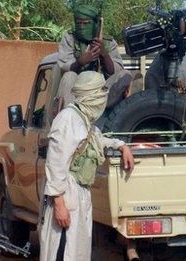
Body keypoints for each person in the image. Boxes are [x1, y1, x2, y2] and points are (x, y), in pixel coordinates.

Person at [39, 71, 134, 261]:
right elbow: (55, 164)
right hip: (67, 196)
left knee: (77, 253)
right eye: (99, 94)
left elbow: (97, 140)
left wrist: (121, 146)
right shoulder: (68, 119)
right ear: (90, 95)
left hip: (79, 195)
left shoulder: (84, 120)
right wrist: (59, 204)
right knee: (63, 251)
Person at [57, 3, 128, 106]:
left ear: (95, 24)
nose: (82, 27)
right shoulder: (70, 39)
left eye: (86, 23)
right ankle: (70, 116)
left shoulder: (108, 42)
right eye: (79, 23)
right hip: (77, 92)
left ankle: (112, 115)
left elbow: (116, 71)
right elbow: (63, 67)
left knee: (125, 75)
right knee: (69, 76)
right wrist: (81, 62)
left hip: (102, 92)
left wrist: (104, 54)